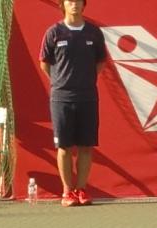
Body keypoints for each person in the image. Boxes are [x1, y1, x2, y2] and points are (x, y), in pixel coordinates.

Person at [39, 0, 107, 207]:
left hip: (88, 97)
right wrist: (61, 83)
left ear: (84, 5)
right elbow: (44, 63)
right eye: (70, 1)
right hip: (61, 98)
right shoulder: (53, 32)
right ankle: (67, 191)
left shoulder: (94, 32)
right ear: (63, 5)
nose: (74, 4)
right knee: (64, 147)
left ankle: (81, 189)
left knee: (86, 146)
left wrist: (86, 81)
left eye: (78, 1)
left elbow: (101, 61)